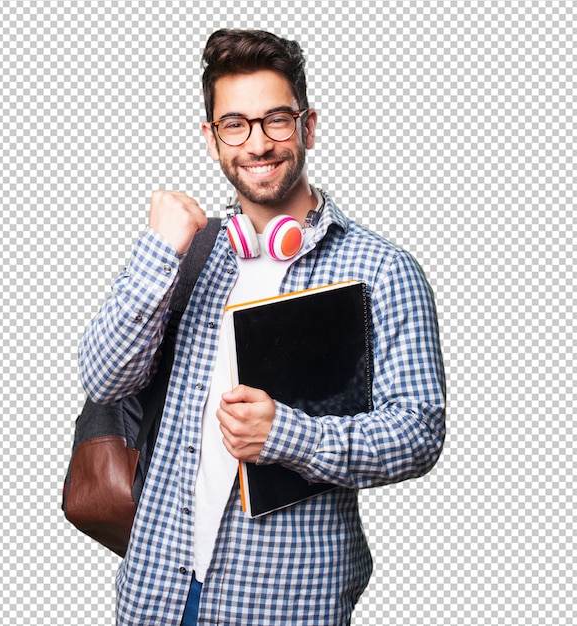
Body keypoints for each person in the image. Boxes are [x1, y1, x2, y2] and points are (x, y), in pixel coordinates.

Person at [79, 28, 446, 626]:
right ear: (212, 138)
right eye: (236, 124)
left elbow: (418, 432)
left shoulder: (382, 270)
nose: (258, 143)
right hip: (156, 591)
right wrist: (157, 251)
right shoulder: (188, 254)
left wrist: (288, 436)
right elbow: (104, 376)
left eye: (277, 119)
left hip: (284, 601)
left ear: (308, 126)